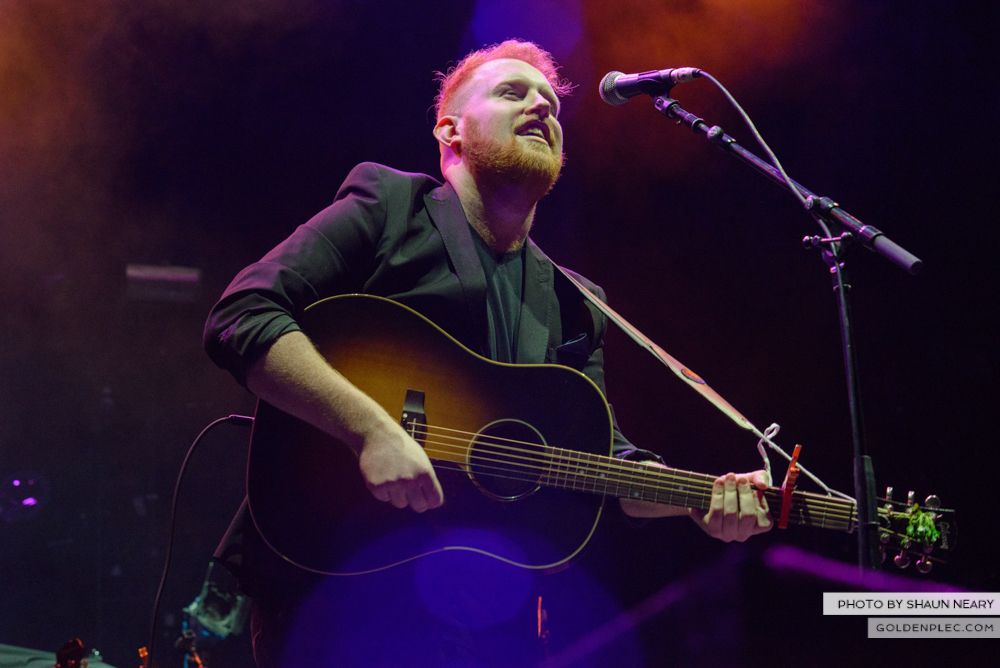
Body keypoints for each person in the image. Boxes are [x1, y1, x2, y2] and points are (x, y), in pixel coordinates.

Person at [204, 39, 771, 667]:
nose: (542, 107)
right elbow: (244, 313)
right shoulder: (389, 207)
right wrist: (371, 429)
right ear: (450, 130)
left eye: (552, 102)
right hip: (336, 585)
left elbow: (601, 460)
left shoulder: (578, 302)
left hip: (484, 617)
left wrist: (700, 497)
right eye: (512, 93)